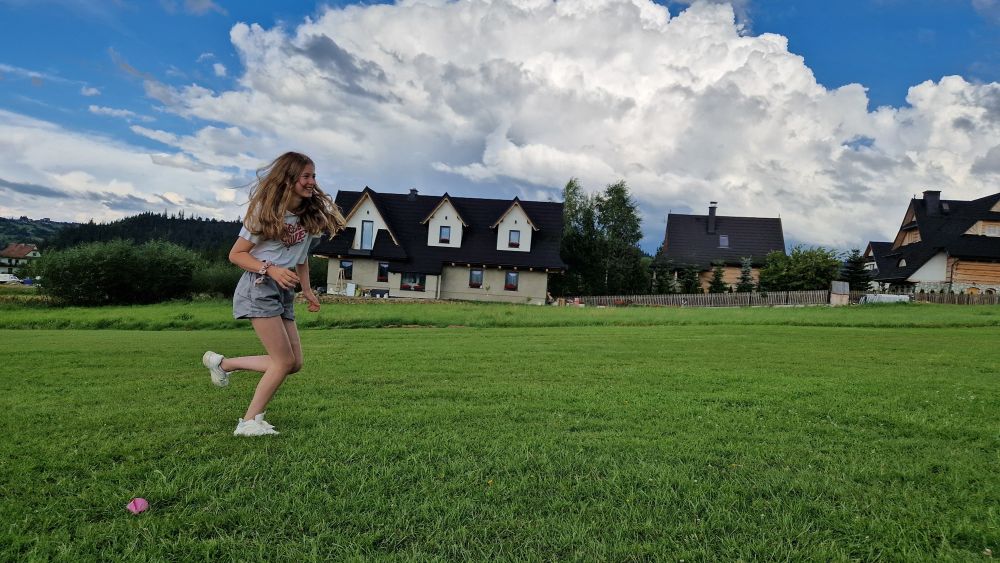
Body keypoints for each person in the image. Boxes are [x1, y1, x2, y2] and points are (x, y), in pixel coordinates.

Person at [202, 151, 345, 437]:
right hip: (258, 286)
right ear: (288, 179)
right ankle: (249, 422)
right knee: (283, 361)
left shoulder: (307, 217)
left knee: (294, 364)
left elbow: (301, 259)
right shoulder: (265, 213)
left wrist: (307, 290)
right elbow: (236, 255)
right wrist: (271, 270)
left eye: (314, 176)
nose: (312, 182)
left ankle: (223, 364)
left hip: (283, 290)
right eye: (305, 176)